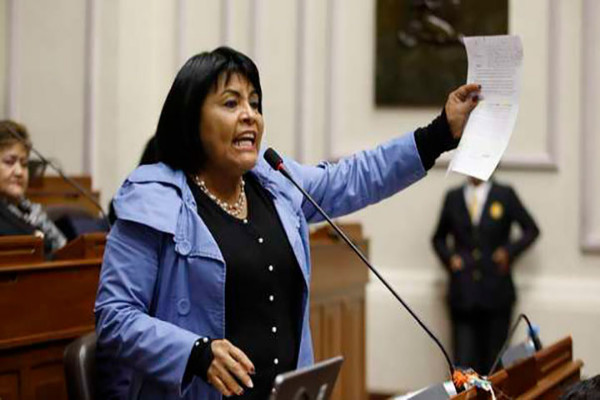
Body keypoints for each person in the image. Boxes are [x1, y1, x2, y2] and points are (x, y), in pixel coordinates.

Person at [94, 46, 481, 399]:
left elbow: (355, 177)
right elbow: (115, 317)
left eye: (255, 103)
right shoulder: (153, 198)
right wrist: (196, 353)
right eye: (231, 103)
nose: (249, 114)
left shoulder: (275, 183)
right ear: (191, 118)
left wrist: (440, 133)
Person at [432, 176, 540, 374]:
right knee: (463, 365)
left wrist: (508, 252)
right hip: (463, 294)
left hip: (496, 293)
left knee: (495, 364)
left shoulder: (505, 194)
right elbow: (438, 238)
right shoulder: (453, 197)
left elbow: (531, 229)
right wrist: (450, 258)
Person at [0, 120, 67, 253]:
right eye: (9, 162)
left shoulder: (32, 211)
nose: (19, 172)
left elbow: (64, 248)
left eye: (24, 164)